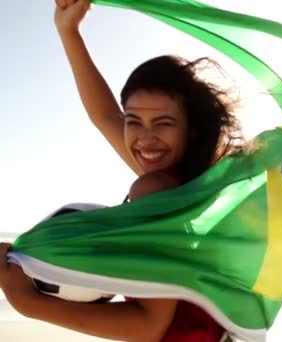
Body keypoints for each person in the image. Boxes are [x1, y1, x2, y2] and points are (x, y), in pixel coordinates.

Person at [0, 0, 245, 340]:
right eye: (134, 121)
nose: (145, 138)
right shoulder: (193, 185)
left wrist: (27, 303)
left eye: (163, 122)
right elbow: (105, 116)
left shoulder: (157, 191)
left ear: (191, 128)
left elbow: (149, 325)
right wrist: (69, 31)